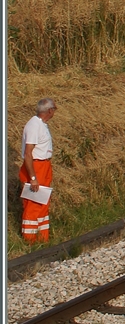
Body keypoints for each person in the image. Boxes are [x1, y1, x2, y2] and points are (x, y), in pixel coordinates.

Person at [18, 98, 56, 243]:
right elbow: (28, 153)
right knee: (33, 203)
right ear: (49, 110)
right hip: (36, 166)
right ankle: (30, 239)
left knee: (42, 202)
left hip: (43, 165)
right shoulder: (34, 126)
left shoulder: (41, 125)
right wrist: (33, 177)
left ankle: (42, 237)